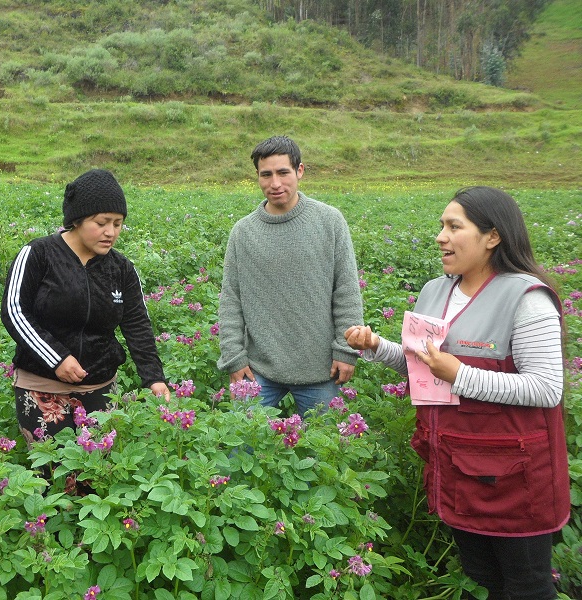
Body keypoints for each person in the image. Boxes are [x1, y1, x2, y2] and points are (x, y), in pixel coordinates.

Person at [345, 186, 569, 600]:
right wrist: (376, 347)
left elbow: (547, 388)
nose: (441, 237)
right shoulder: (436, 290)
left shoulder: (526, 298)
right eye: (441, 227)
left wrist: (461, 374)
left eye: (454, 226)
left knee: (526, 587)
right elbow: (423, 366)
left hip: (515, 481)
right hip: (458, 466)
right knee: (478, 580)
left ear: (493, 236)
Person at [1, 168, 170, 446]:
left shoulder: (121, 268)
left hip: (100, 387)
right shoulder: (39, 254)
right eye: (102, 222)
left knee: (98, 474)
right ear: (77, 220)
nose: (110, 232)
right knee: (53, 473)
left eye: (117, 223)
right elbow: (14, 311)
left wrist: (153, 377)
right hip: (42, 387)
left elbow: (137, 325)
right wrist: (57, 358)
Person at [217, 135, 363, 417]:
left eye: (283, 172)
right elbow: (231, 301)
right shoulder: (243, 233)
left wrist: (346, 349)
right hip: (258, 371)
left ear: (300, 171)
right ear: (257, 177)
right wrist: (233, 358)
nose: (275, 184)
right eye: (266, 175)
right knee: (238, 451)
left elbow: (346, 290)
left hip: (321, 370)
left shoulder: (329, 221)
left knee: (326, 453)